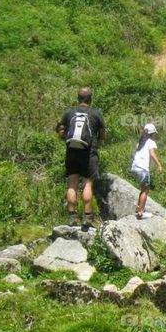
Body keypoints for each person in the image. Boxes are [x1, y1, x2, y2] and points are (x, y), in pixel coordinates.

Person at [57, 87, 107, 231]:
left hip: (72, 152)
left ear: (78, 98)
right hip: (89, 153)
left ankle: (72, 218)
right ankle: (87, 218)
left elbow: (61, 132)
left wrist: (64, 137)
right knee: (87, 184)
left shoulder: (69, 113)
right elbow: (103, 135)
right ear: (90, 99)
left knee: (72, 184)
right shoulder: (95, 114)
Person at [131, 122, 164, 220]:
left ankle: (139, 209)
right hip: (143, 169)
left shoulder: (140, 142)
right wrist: (159, 165)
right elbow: (152, 154)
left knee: (143, 189)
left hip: (135, 167)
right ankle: (141, 212)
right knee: (146, 190)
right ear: (152, 133)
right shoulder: (150, 142)